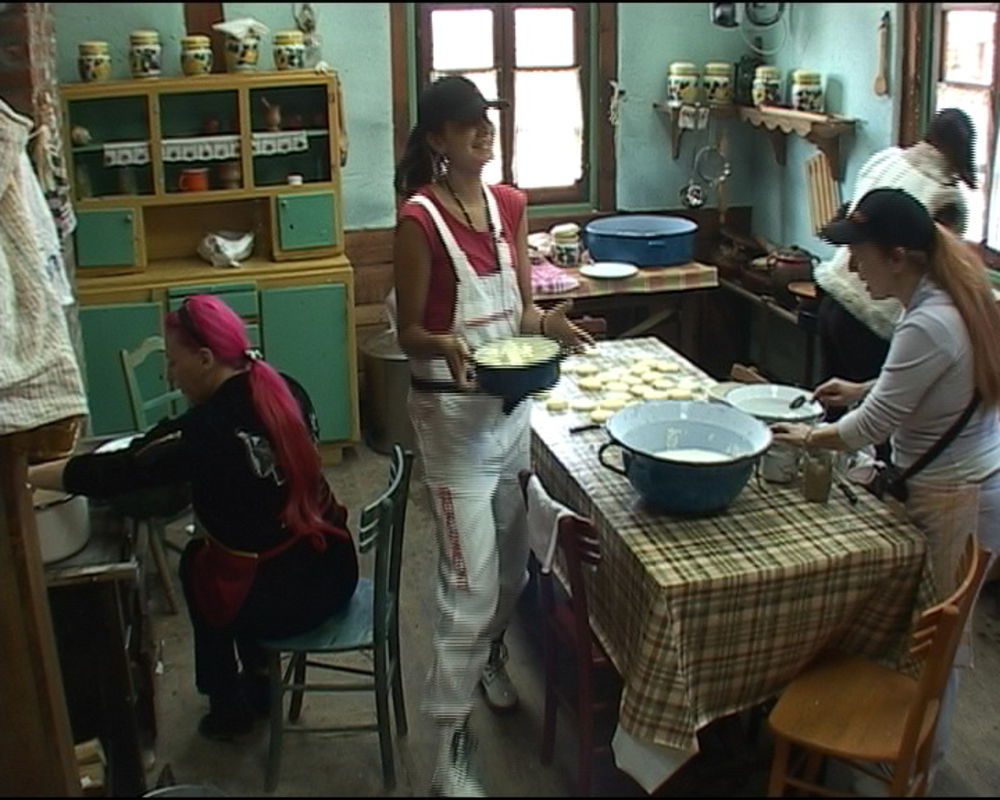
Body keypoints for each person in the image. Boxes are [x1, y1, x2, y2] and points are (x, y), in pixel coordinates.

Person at [28, 295, 359, 741]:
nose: (168, 374)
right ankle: (261, 682)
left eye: (173, 361)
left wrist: (26, 476)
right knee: (236, 550)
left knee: (199, 565)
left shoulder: (204, 432)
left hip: (288, 599)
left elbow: (118, 469)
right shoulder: (285, 388)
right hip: (334, 566)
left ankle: (227, 708)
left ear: (205, 359)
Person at [392, 75, 591, 796]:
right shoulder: (418, 220)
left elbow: (525, 315)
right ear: (438, 138)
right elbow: (407, 330)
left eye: (489, 121)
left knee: (512, 571)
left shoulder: (508, 206)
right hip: (452, 427)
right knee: (470, 585)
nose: (485, 131)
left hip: (511, 415)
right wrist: (441, 343)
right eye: (468, 123)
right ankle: (445, 747)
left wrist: (553, 325)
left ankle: (492, 655)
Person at [772, 188, 1000, 788]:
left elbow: (868, 432)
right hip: (963, 481)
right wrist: (861, 386)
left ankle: (919, 765)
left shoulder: (929, 320)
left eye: (861, 255)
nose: (851, 268)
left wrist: (806, 437)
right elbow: (921, 380)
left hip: (958, 494)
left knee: (935, 641)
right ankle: (907, 755)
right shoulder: (946, 297)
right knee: (927, 631)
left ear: (898, 256)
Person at [814, 108, 978, 392]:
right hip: (871, 318)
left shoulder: (887, 159)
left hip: (831, 297)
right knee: (872, 414)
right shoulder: (946, 197)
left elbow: (854, 219)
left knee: (832, 401)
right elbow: (939, 265)